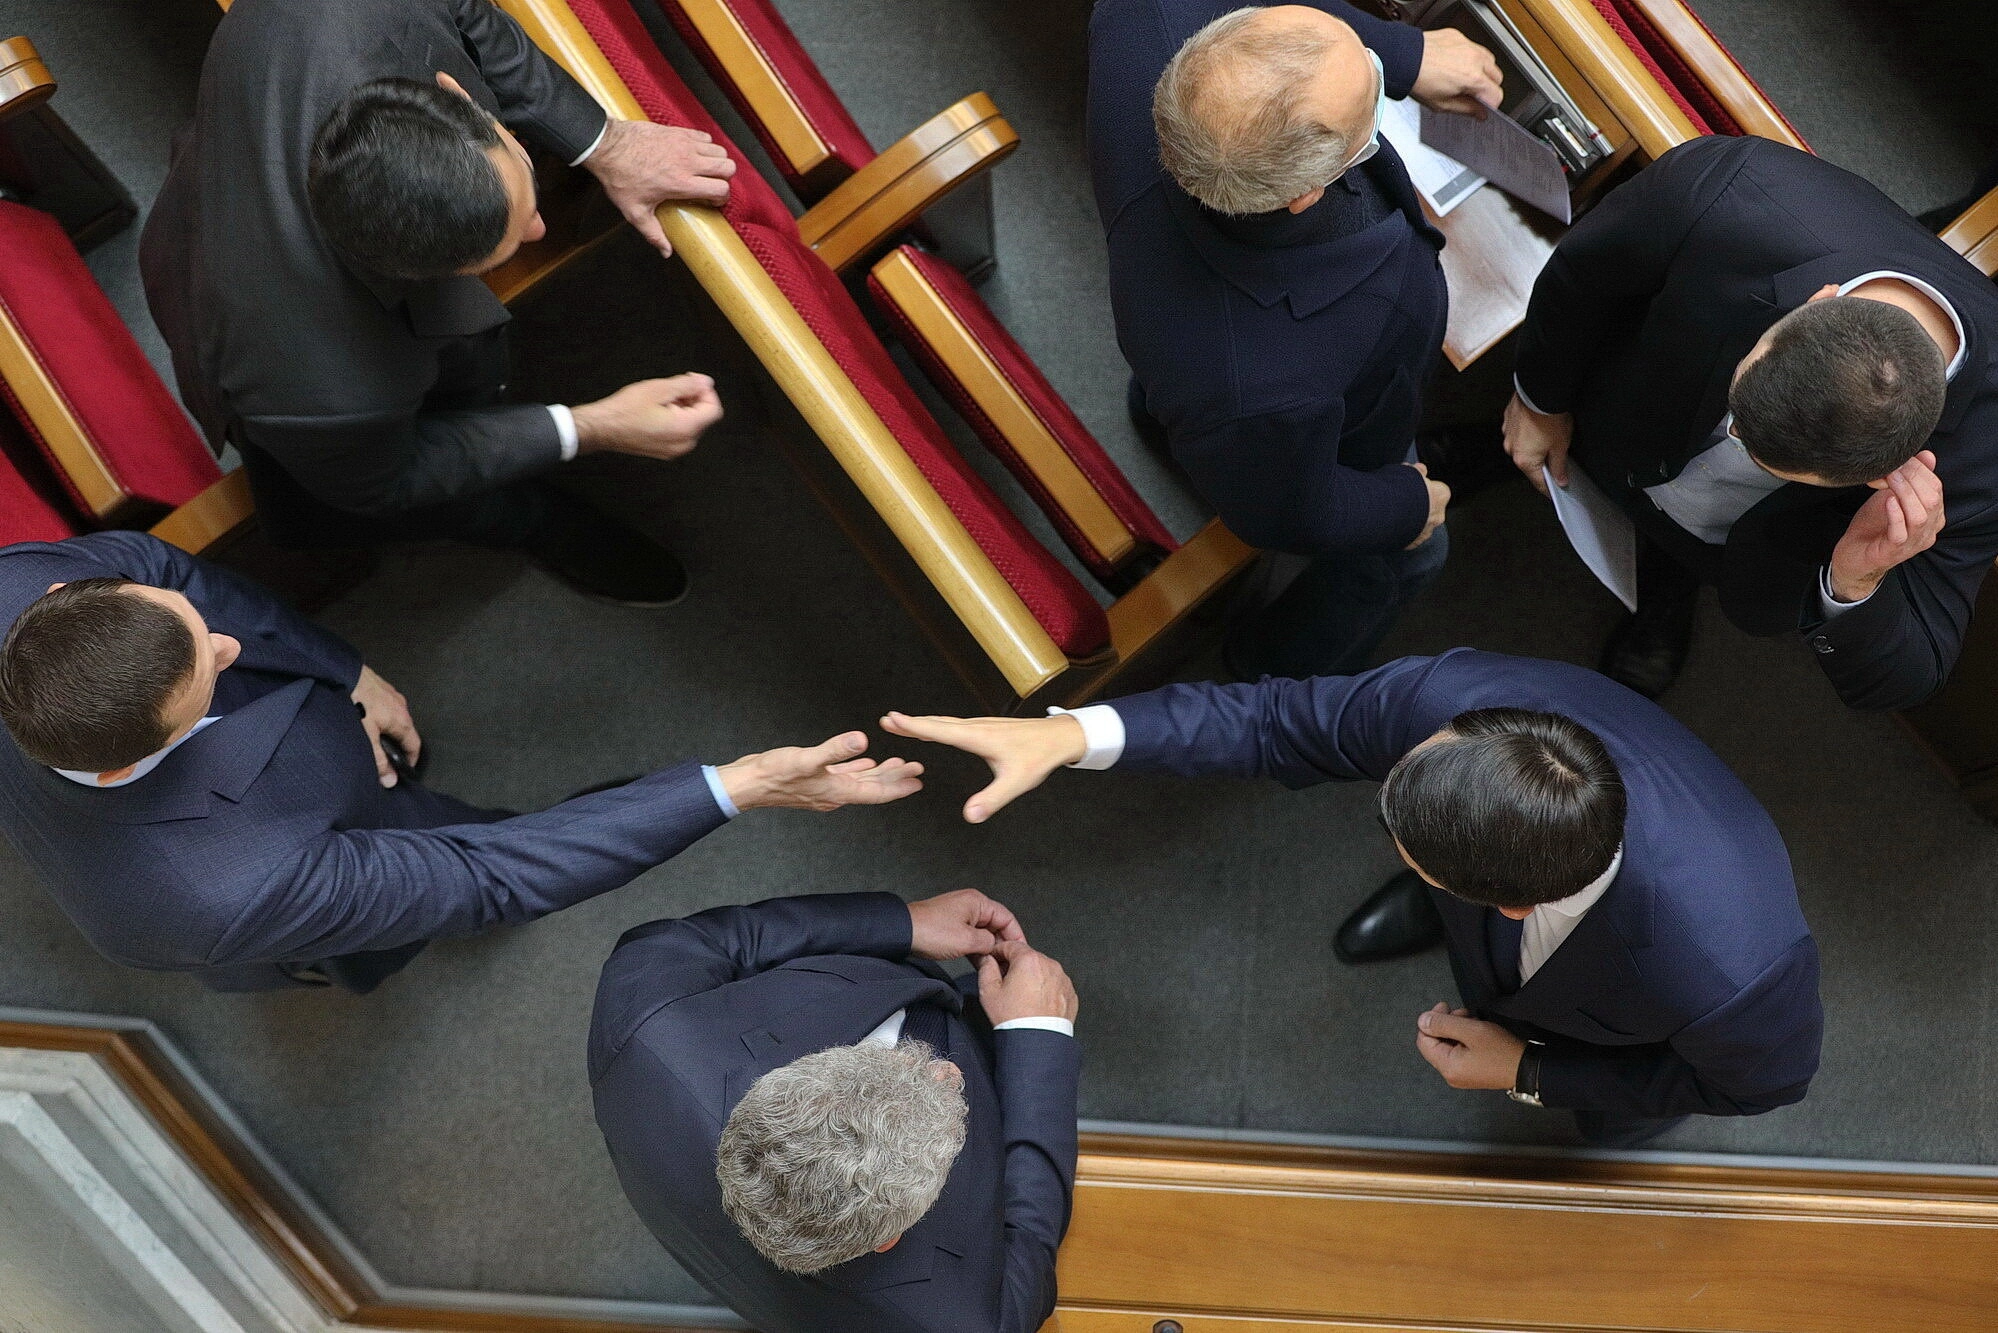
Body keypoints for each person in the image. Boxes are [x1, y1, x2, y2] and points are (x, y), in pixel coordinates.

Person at [882, 649, 1820, 1147]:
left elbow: (1757, 1083)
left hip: (1619, 1021)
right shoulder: (1447, 708)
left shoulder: (1731, 975)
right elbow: (1283, 721)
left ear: (1509, 903)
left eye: (1419, 863)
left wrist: (1529, 1071)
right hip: (1517, 904)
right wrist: (1074, 736)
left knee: (1608, 1120)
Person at [0, 532, 923, 993]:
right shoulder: (232, 883)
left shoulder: (20, 593)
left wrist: (345, 671)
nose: (232, 646)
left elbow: (177, 573)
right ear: (131, 765)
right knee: (475, 849)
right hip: (323, 868)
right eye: (210, 671)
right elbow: (489, 877)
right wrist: (740, 785)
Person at [141, 0, 739, 605]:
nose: (539, 228)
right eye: (503, 248)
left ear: (455, 95)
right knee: (361, 487)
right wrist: (589, 427)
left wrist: (603, 142)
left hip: (238, 152)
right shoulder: (324, 390)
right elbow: (384, 479)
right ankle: (530, 521)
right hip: (217, 279)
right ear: (421, 274)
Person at [1502, 135, 1998, 710]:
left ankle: (1668, 582)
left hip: (1729, 552)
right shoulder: (1729, 189)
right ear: (1816, 301)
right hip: (1615, 410)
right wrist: (1539, 399)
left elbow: (1905, 679)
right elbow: (1584, 276)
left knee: (1676, 558)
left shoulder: (1987, 461)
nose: (1730, 438)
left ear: (1885, 472)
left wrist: (1855, 581)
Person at [1086, 0, 1501, 678]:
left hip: (1180, 334)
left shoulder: (1144, 16)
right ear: (1307, 193)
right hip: (1323, 431)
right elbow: (1285, 512)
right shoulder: (1262, 386)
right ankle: (1268, 671)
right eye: (1368, 101)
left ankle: (1164, 422)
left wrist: (1401, 55)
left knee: (1196, 418)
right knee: (1416, 556)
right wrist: (1405, 504)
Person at [589, 888, 1079, 1332]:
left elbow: (710, 939)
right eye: (946, 1107)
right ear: (888, 1239)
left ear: (793, 1078)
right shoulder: (970, 1321)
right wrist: (1038, 1033)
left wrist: (903, 924)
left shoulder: (646, 1031)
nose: (949, 1074)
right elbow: (1030, 1231)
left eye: (905, 1068)